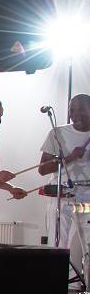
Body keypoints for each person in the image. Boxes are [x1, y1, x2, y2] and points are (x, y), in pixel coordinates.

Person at [37, 94, 90, 281]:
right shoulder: (57, 133)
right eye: (71, 110)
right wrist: (70, 158)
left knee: (88, 245)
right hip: (62, 196)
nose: (75, 115)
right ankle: (55, 287)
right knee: (58, 245)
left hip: (86, 199)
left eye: (81, 109)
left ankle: (84, 290)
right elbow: (42, 169)